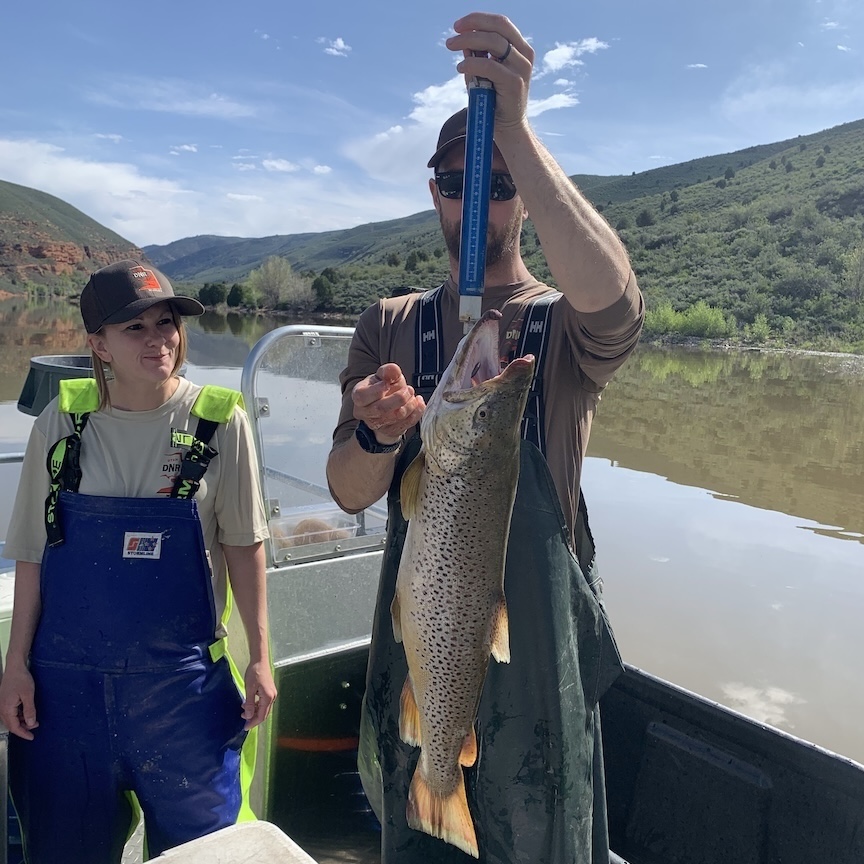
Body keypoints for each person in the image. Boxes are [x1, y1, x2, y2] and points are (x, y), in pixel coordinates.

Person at [326, 12, 644, 864]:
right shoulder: (388, 324)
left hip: (541, 667)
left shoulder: (564, 327)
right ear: (435, 191)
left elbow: (617, 305)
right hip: (425, 640)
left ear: (527, 196)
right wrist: (376, 436)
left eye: (501, 182)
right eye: (458, 180)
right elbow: (348, 491)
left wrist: (517, 130)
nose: (479, 198)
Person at [0, 259, 277, 863]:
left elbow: (244, 546)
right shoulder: (61, 421)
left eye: (167, 323)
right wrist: (15, 665)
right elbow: (32, 553)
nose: (159, 340)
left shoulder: (219, 420)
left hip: (183, 694)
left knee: (204, 854)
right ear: (99, 345)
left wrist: (259, 658)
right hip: (65, 694)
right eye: (135, 328)